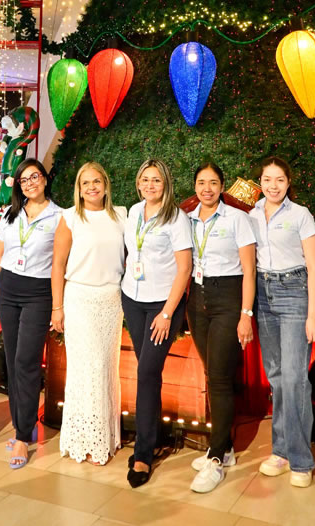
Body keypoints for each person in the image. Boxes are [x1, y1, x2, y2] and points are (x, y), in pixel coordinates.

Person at [249, 157, 315, 488]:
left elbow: (314, 266)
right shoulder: (251, 215)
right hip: (263, 295)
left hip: (294, 291)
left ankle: (301, 460)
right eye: (267, 179)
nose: (273, 185)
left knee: (294, 378)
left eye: (279, 179)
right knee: (277, 378)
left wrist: (311, 314)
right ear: (260, 182)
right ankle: (280, 450)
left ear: (289, 182)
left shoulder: (300, 214)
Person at [121, 159, 193, 487]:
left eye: (157, 180)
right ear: (138, 183)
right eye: (145, 179)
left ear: (166, 184)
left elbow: (184, 268)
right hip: (133, 300)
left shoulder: (176, 218)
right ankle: (156, 437)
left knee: (147, 373)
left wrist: (167, 314)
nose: (150, 185)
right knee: (149, 374)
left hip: (163, 305)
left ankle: (143, 454)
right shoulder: (134, 212)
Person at [186, 162, 256, 493]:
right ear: (195, 187)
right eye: (201, 182)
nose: (207, 188)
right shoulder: (186, 219)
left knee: (219, 377)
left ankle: (215, 459)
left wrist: (246, 314)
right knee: (212, 373)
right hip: (197, 299)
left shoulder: (237, 219)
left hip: (228, 297)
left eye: (213, 182)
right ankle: (224, 447)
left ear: (222, 186)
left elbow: (249, 270)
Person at [51, 162, 127, 466]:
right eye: (86, 183)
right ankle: (84, 440)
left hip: (111, 301)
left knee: (106, 368)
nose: (92, 187)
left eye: (97, 181)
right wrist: (57, 307)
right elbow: (58, 265)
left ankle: (105, 437)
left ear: (106, 185)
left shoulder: (121, 215)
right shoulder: (69, 218)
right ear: (79, 189)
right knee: (87, 369)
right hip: (80, 300)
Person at [0, 158, 62, 468]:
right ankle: (22, 426)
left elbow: (60, 263)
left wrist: (58, 304)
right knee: (11, 360)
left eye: (35, 177)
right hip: (8, 288)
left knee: (27, 361)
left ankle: (23, 434)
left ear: (45, 179)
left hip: (38, 292)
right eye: (24, 180)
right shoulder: (12, 213)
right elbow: (0, 253)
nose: (30, 183)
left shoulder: (60, 217)